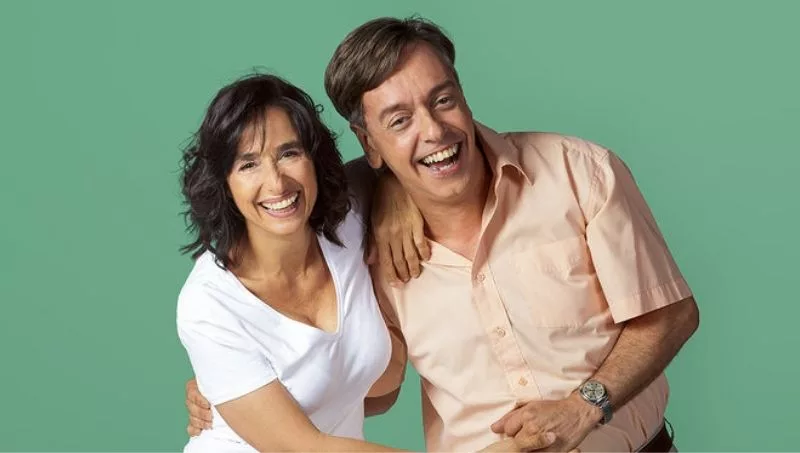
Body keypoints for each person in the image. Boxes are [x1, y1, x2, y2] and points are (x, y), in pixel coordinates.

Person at [187, 16, 700, 452]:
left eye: (443, 100)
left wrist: (585, 407)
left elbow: (672, 312)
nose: (433, 131)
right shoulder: (355, 221)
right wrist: (236, 387)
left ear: (463, 94)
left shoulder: (579, 174)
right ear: (369, 143)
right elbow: (364, 393)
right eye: (399, 120)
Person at [175, 73, 534, 452]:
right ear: (223, 183)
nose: (277, 184)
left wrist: (392, 187)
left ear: (314, 158)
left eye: (289, 153)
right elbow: (305, 447)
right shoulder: (209, 305)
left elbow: (399, 159)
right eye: (248, 165)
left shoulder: (347, 222)